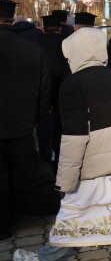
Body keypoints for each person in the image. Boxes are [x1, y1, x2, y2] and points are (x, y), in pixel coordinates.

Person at [13, 28, 111, 261]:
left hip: (94, 165)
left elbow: (74, 137)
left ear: (75, 52)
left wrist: (65, 179)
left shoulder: (72, 84)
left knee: (72, 216)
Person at [0, 0, 60, 241]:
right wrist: (37, 117)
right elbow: (44, 86)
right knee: (23, 171)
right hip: (23, 123)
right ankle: (26, 214)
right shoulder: (32, 48)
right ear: (11, 18)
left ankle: (3, 226)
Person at [36, 15, 70, 164]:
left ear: (43, 29)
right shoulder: (65, 43)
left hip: (41, 90)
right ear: (59, 29)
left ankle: (45, 155)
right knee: (59, 126)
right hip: (61, 89)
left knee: (43, 125)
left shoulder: (36, 42)